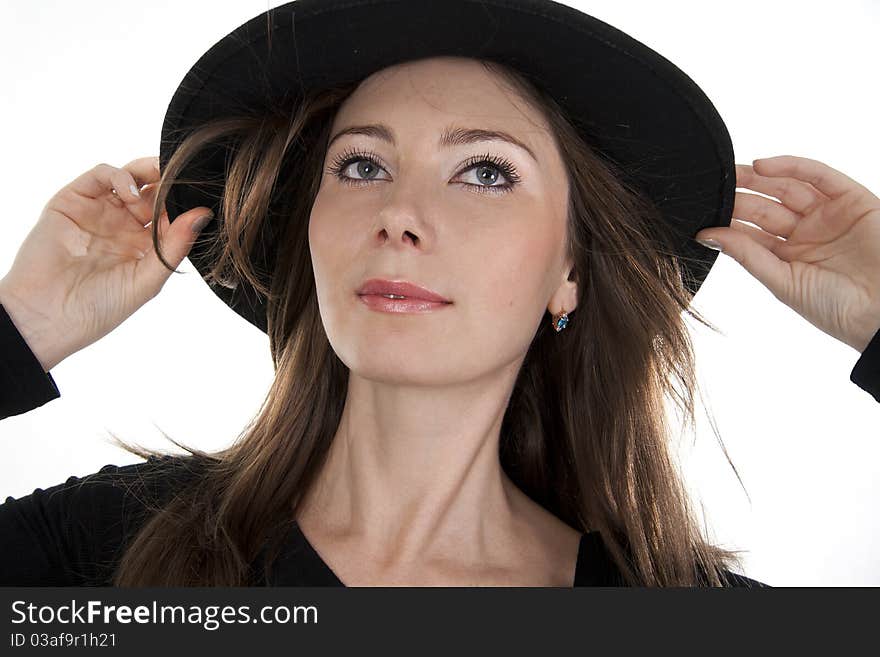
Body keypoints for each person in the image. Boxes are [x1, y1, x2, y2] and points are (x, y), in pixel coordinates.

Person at [1, 0, 879, 588]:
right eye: (362, 165)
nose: (400, 214)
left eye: (486, 171)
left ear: (568, 270)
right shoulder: (104, 552)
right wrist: (22, 326)